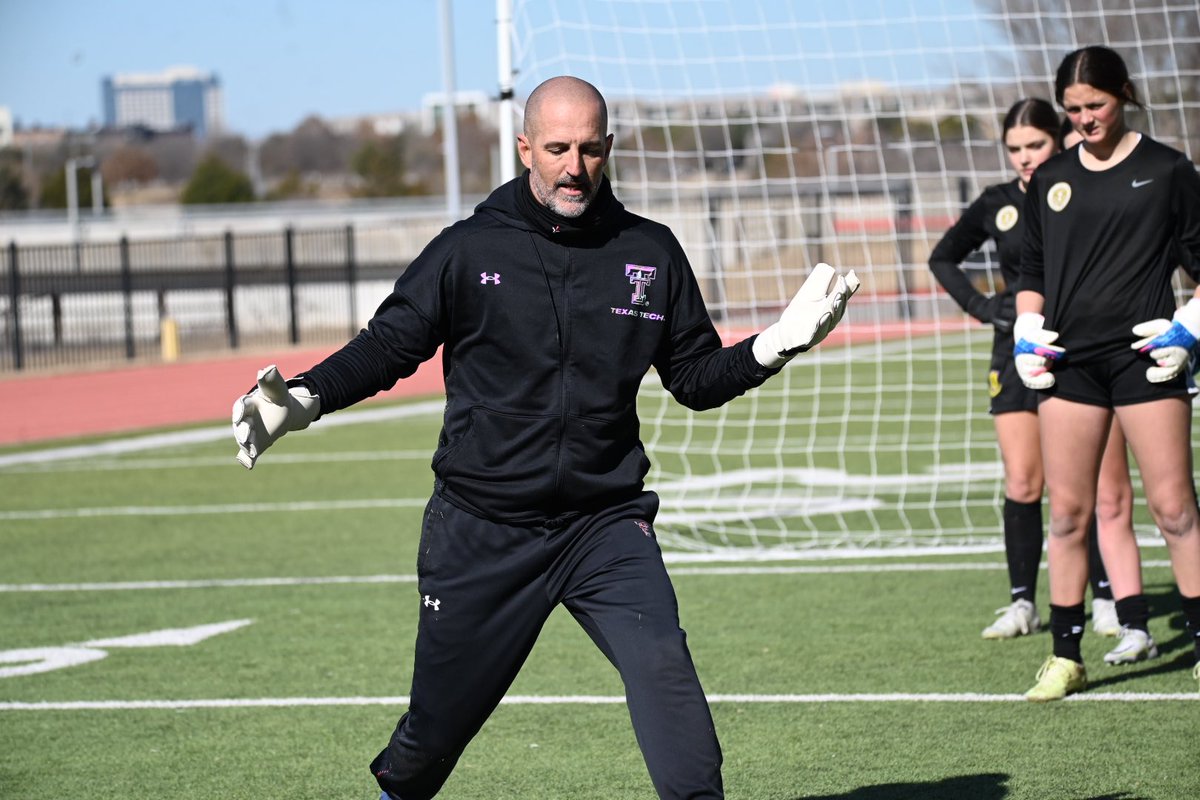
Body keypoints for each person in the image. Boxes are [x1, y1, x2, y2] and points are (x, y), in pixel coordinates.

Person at [231, 76, 859, 798]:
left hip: (604, 525)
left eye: (590, 149)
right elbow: (389, 346)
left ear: (609, 149)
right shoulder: (466, 249)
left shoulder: (649, 252)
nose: (573, 166)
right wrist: (305, 399)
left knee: (663, 666)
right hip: (481, 528)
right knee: (431, 740)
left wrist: (774, 344)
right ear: (525, 147)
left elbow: (692, 378)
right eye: (557, 148)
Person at [1014, 46, 1200, 701]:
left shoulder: (1169, 169)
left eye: (1095, 105)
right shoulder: (1053, 176)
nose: (1085, 118)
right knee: (1067, 515)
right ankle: (1066, 656)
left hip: (1147, 360)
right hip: (1070, 366)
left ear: (1123, 94)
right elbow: (1031, 269)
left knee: (1175, 510)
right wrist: (1025, 332)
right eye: (1072, 109)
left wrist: (1190, 331)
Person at [928, 97, 1121, 641]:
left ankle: (1103, 596)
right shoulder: (997, 203)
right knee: (1023, 480)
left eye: (1035, 144)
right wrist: (987, 307)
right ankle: (1022, 603)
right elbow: (943, 257)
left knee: (1082, 486)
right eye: (1014, 148)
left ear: (1058, 139)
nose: (1024, 157)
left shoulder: (1083, 188)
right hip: (1014, 354)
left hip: (1079, 349)